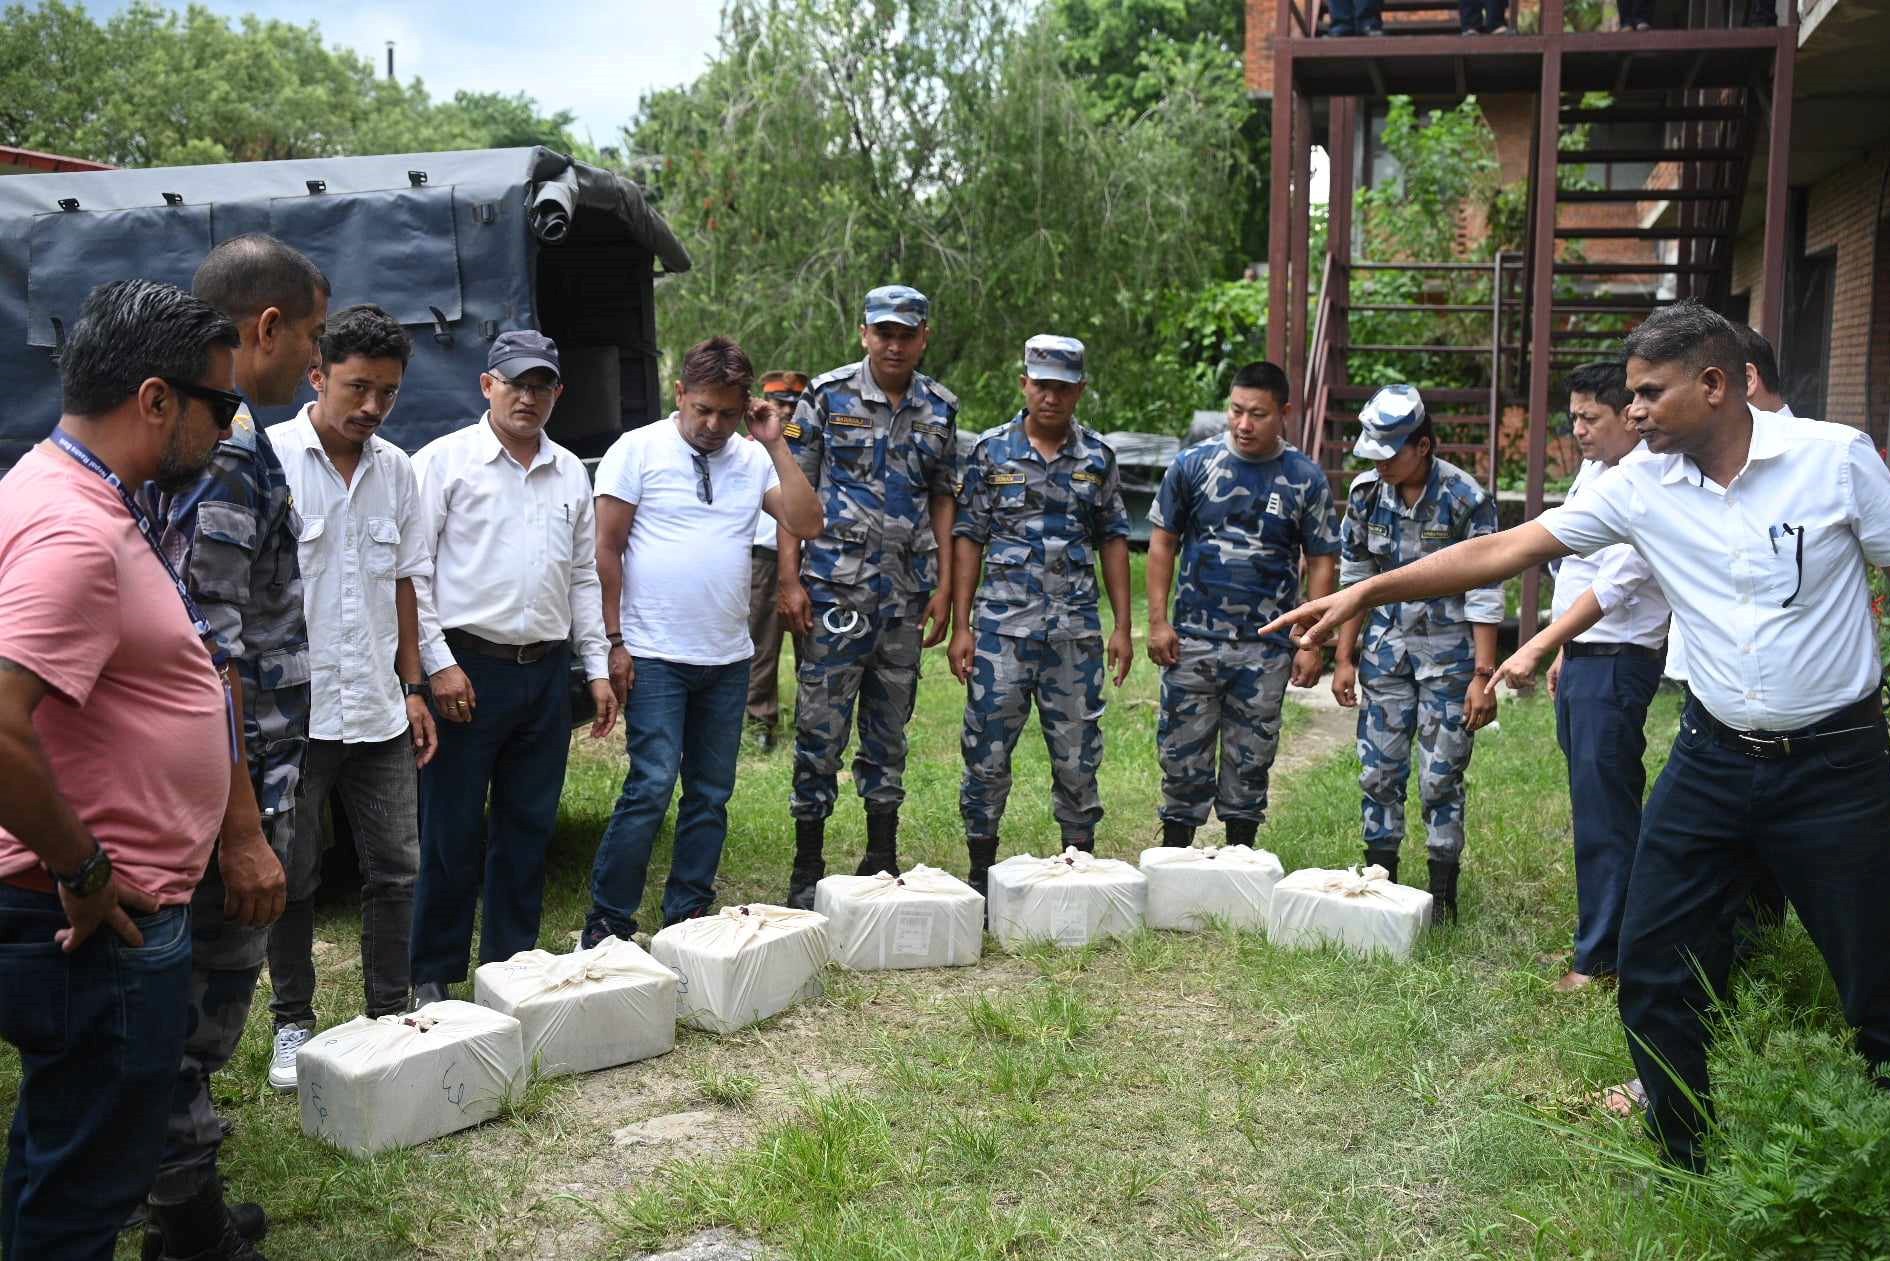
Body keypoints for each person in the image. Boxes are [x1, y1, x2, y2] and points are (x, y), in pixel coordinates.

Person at [1262, 299, 1890, 1172]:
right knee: (1654, 962)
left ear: (1713, 386)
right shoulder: (1639, 487)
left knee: (1875, 977)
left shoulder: (1832, 461)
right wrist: (1368, 593)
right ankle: (1684, 1153)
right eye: (1628, 396)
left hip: (1836, 764)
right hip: (1711, 757)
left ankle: (1869, 1166)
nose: (1632, 412)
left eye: (1647, 394)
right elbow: (1507, 548)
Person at [0, 279, 240, 1261]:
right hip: (100, 925)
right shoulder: (77, 532)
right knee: (86, 1191)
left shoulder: (55, 488)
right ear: (154, 400)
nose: (231, 427)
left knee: (63, 1153)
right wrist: (84, 869)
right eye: (218, 405)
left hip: (97, 915)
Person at [141, 234, 328, 1261]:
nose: (315, 354)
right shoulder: (230, 457)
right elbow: (207, 648)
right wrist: (244, 823)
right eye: (308, 332)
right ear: (266, 327)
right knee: (198, 1009)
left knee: (185, 1007)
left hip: (212, 776)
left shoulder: (182, 437)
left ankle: (178, 1192)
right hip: (225, 781)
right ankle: (183, 1225)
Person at [583, 340, 823, 946]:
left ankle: (687, 913)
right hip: (655, 652)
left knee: (711, 794)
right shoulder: (636, 450)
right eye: (703, 411)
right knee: (652, 785)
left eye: (727, 413)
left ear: (746, 407)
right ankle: (608, 922)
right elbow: (604, 552)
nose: (714, 426)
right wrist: (613, 641)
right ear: (680, 396)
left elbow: (807, 522)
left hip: (726, 656)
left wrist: (774, 443)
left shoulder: (753, 457)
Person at [409, 331, 617, 1002]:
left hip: (544, 672)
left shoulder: (570, 472)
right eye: (515, 383)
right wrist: (437, 665)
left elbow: (583, 576)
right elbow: (413, 574)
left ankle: (509, 968)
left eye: (541, 385)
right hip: (467, 669)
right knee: (452, 832)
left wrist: (596, 668)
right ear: (486, 385)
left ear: (558, 392)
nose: (528, 396)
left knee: (528, 827)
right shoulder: (445, 463)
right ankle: (432, 976)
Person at [265, 304, 439, 1089]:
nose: (372, 407)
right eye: (358, 387)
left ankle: (389, 1012)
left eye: (388, 393)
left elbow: (404, 583)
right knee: (293, 876)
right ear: (316, 375)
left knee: (396, 866)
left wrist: (413, 686)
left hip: (376, 709)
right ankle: (292, 1024)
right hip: (294, 717)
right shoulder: (268, 461)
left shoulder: (397, 470)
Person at [1488, 362, 1670, 994]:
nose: (1580, 431)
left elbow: (1617, 585)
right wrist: (1567, 648)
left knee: (1606, 817)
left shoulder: (1649, 478)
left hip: (1619, 661)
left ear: (1629, 415)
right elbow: (1576, 572)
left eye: (1591, 418)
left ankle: (1602, 962)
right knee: (1595, 808)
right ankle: (1603, 942)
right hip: (1588, 656)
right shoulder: (1600, 470)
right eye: (1574, 419)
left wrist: (1538, 645)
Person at [779, 286, 959, 906]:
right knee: (820, 726)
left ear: (923, 337)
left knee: (889, 727)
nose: (894, 343)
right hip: (835, 589)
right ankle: (808, 864)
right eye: (883, 332)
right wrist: (789, 578)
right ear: (863, 334)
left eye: (906, 333)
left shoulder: (940, 407)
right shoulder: (827, 397)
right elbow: (791, 491)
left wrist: (946, 588)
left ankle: (881, 853)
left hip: (905, 595)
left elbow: (943, 496)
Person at [949, 335, 1134, 896]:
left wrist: (1124, 625)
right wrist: (962, 627)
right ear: (1023, 383)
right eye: (1041, 385)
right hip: (1001, 633)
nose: (1049, 397)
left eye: (1062, 388)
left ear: (1079, 390)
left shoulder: (1098, 458)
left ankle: (1078, 870)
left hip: (1074, 634)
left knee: (1078, 756)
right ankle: (981, 871)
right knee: (986, 754)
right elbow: (968, 539)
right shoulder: (988, 453)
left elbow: (1114, 539)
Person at [1146, 361, 1340, 850]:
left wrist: (1311, 640)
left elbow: (1322, 560)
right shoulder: (1193, 465)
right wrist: (1157, 622)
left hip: (1266, 645)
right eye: (1235, 411)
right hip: (1191, 642)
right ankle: (1175, 858)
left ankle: (1241, 860)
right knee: (1182, 757)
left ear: (1284, 414)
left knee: (1251, 762)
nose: (1244, 424)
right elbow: (1162, 543)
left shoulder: (1303, 478)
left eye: (1257, 414)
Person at [1334, 384, 1501, 923]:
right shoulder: (1364, 497)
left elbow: (1485, 589)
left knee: (1439, 777)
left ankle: (1441, 897)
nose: (1379, 465)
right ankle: (1383, 887)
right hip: (1385, 657)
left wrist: (1483, 674)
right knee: (1378, 773)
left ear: (1422, 446)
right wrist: (1344, 657)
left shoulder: (1465, 498)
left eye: (1390, 454)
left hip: (1449, 662)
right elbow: (1354, 581)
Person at [745, 370, 811, 750]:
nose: (787, 410)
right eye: (780, 402)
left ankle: (812, 717)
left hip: (809, 557)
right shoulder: (748, 449)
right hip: (762, 558)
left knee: (811, 639)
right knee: (761, 642)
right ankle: (760, 722)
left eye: (794, 403)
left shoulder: (813, 446)